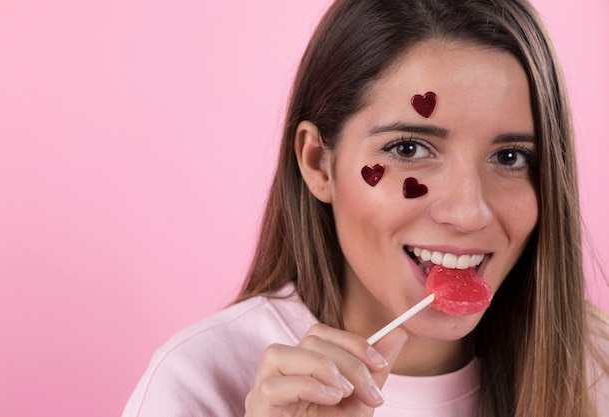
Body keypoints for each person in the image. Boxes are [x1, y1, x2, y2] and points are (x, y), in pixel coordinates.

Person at [122, 0, 609, 415]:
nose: (468, 212)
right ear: (319, 164)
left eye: (510, 157)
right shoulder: (200, 382)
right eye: (408, 150)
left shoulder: (595, 370)